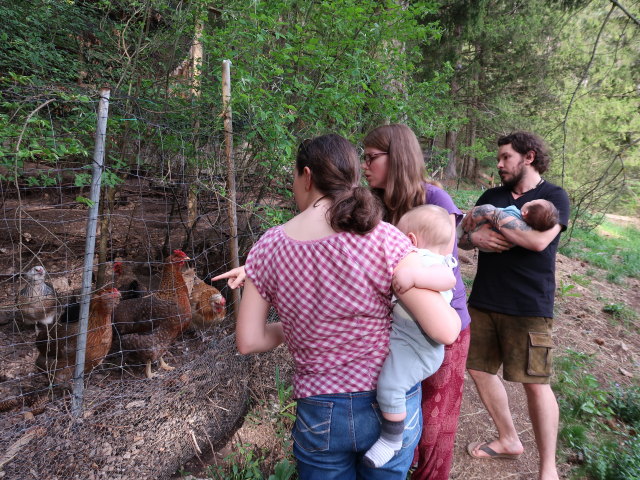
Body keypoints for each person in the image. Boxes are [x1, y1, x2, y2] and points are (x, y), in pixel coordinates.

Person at [218, 134, 461, 479]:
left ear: (306, 175)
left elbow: (249, 341)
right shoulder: (385, 238)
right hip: (387, 400)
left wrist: (306, 326)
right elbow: (444, 330)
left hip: (320, 408)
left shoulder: (268, 247)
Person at [457, 131, 570, 480]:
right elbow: (462, 235)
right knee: (478, 369)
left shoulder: (553, 196)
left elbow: (538, 242)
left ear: (529, 157)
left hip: (530, 305)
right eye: (500, 157)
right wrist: (474, 238)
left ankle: (547, 469)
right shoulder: (492, 194)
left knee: (536, 382)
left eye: (506, 157)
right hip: (485, 300)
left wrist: (495, 222)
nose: (500, 164)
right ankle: (508, 439)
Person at [362, 123, 471, 480]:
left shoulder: (435, 201)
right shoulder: (372, 204)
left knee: (435, 421)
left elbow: (445, 271)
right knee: (398, 407)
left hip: (441, 326)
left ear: (397, 158)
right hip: (396, 327)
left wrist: (405, 280)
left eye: (371, 158)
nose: (365, 166)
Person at [364, 204, 459, 468]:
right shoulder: (420, 259)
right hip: (408, 338)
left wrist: (415, 274)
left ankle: (392, 437)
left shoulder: (429, 262)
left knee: (390, 386)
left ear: (411, 241)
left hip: (420, 347)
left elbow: (448, 279)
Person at [457, 198, 559, 243]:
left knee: (456, 224)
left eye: (531, 201)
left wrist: (487, 210)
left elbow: (493, 211)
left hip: (473, 225)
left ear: (525, 213)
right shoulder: (523, 231)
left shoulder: (512, 211)